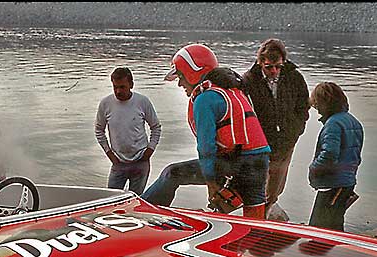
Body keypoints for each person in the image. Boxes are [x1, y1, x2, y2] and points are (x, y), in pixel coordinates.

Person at [142, 44, 271, 219]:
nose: (180, 83)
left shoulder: (205, 98)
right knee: (254, 208)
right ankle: (254, 237)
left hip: (237, 164)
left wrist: (210, 182)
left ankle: (144, 214)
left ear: (192, 72)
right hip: (261, 161)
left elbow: (206, 148)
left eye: (180, 76)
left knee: (171, 173)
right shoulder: (234, 90)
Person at [243, 38, 310, 220]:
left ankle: (268, 210)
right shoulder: (249, 80)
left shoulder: (294, 77)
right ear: (260, 63)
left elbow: (304, 105)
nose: (273, 71)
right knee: (258, 183)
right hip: (260, 142)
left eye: (278, 67)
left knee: (277, 184)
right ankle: (258, 215)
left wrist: (297, 129)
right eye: (269, 67)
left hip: (286, 138)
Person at [94, 67, 162, 195]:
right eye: (115, 87)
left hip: (141, 161)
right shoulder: (106, 104)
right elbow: (99, 130)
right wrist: (109, 153)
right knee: (111, 199)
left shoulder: (142, 102)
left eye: (122, 87)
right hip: (118, 162)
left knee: (136, 200)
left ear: (131, 85)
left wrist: (150, 150)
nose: (118, 91)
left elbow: (156, 127)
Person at [307, 82, 363, 231]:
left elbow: (330, 154)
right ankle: (339, 252)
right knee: (335, 224)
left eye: (317, 104)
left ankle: (322, 253)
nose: (316, 109)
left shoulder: (333, 124)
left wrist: (313, 168)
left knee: (319, 228)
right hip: (347, 181)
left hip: (333, 184)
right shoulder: (353, 121)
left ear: (324, 103)